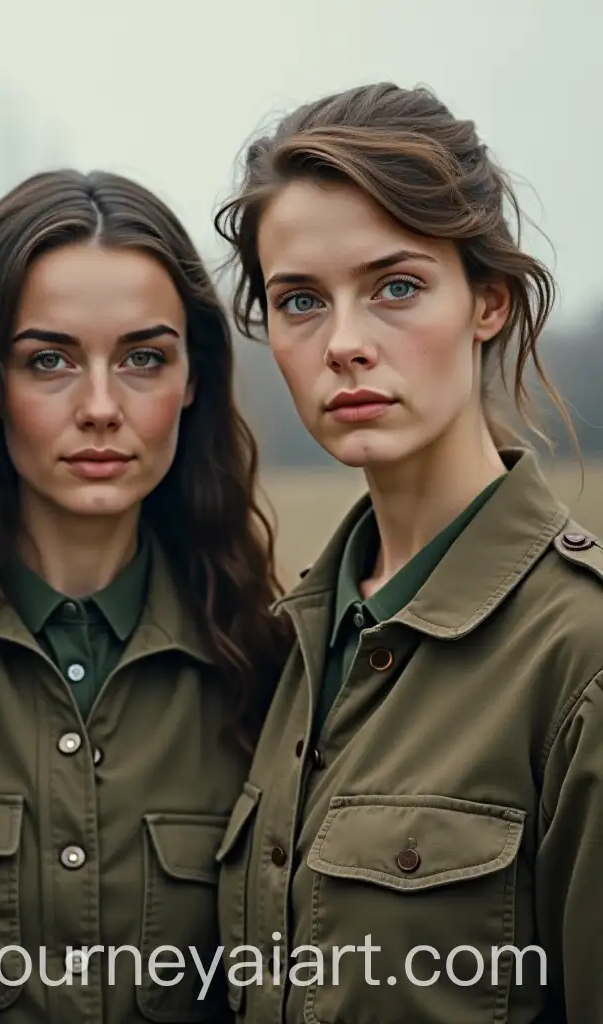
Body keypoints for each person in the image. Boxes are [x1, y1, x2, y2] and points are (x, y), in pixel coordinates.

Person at [210, 80, 602, 1023]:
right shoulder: (297, 637)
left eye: (396, 287)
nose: (344, 343)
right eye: (300, 300)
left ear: (490, 303)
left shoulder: (579, 652)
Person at [0, 168, 292, 1022]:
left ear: (194, 378)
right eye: (49, 360)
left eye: (143, 359)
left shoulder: (276, 679)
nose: (101, 408)